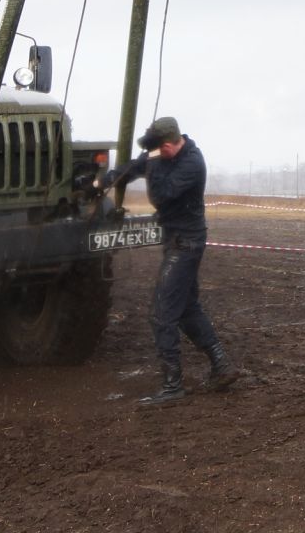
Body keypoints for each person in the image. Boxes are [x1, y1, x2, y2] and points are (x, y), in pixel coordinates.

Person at [95, 116, 238, 408]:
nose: (162, 155)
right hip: (177, 241)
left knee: (162, 314)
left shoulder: (192, 164)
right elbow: (133, 168)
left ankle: (173, 385)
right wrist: (104, 182)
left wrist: (155, 162)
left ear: (173, 143)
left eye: (164, 150)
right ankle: (222, 366)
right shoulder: (161, 153)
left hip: (185, 244)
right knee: (186, 308)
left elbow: (161, 196)